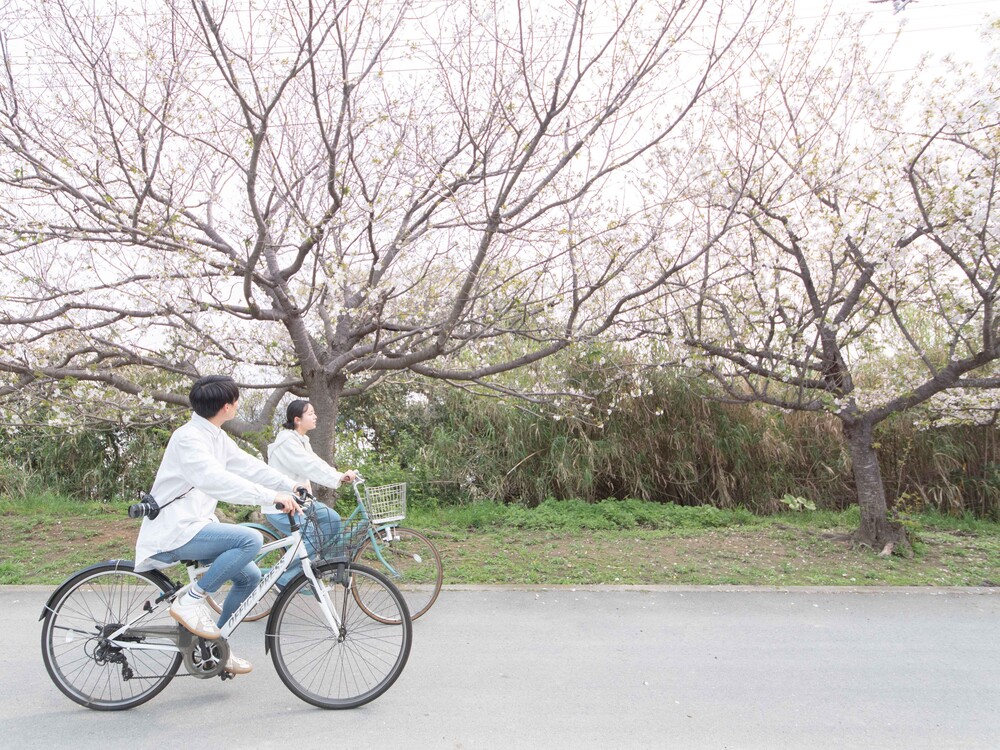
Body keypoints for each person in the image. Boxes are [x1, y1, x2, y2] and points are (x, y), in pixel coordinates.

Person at [134, 375, 302, 676]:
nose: (238, 404)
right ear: (226, 406)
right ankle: (191, 600)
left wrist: (290, 484)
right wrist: (271, 497)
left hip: (197, 525)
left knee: (250, 577)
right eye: (237, 400)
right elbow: (216, 480)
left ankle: (215, 648)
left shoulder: (214, 435)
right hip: (178, 530)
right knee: (250, 541)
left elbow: (248, 466)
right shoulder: (188, 439)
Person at [265, 399, 358, 591]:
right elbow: (310, 466)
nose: (315, 416)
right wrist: (338, 477)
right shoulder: (287, 443)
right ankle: (283, 581)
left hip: (301, 502)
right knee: (311, 539)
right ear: (297, 419)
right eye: (311, 413)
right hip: (282, 506)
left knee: (332, 519)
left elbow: (317, 462)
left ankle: (327, 569)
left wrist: (338, 475)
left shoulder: (301, 440)